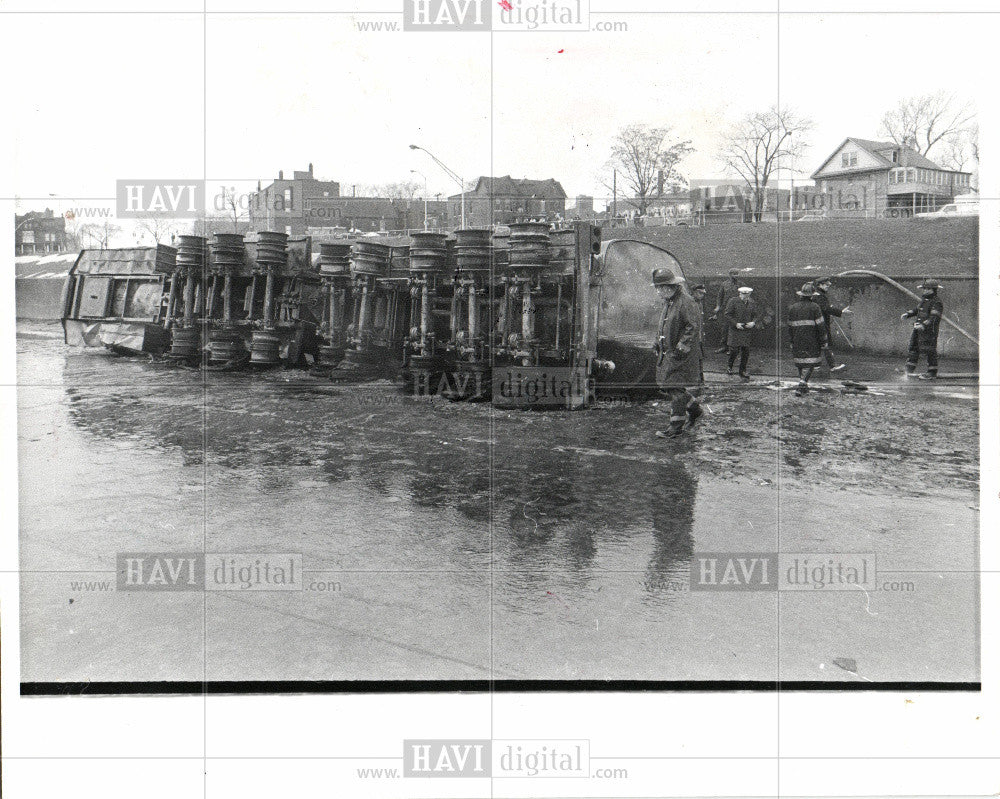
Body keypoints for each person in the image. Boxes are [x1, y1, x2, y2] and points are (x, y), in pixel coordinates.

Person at [651, 268, 703, 439]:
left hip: (681, 354)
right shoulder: (670, 301)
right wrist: (658, 341)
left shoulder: (686, 302)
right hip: (670, 352)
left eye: (659, 288)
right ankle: (695, 410)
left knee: (675, 389)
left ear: (668, 287)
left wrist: (681, 348)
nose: (657, 292)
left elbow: (692, 327)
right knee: (672, 387)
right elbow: (665, 324)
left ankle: (676, 427)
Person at [787, 283, 828, 396]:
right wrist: (824, 340)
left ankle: (804, 386)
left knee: (801, 362)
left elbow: (789, 326)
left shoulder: (793, 307)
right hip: (812, 339)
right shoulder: (815, 307)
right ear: (811, 296)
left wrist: (791, 340)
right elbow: (821, 325)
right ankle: (801, 385)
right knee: (811, 362)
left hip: (797, 339)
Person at [902, 279, 944, 379]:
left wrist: (924, 325)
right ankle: (908, 370)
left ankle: (932, 372)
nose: (925, 291)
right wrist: (908, 314)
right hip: (918, 328)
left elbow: (934, 318)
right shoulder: (924, 300)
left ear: (933, 290)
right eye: (924, 288)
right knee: (914, 347)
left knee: (929, 350)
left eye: (928, 289)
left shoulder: (936, 302)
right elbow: (917, 309)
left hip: (929, 331)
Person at [813, 277, 851, 371]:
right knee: (826, 344)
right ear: (820, 285)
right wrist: (841, 312)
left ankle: (815, 364)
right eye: (826, 285)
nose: (827, 287)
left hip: (817, 323)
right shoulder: (820, 296)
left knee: (818, 343)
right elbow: (825, 309)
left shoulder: (817, 295)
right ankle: (833, 366)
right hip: (821, 323)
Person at [724, 286, 757, 381]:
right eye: (743, 294)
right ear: (739, 294)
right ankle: (729, 366)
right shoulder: (733, 301)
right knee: (734, 350)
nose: (744, 296)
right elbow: (727, 314)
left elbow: (755, 315)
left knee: (746, 351)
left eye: (747, 295)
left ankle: (742, 370)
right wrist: (735, 324)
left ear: (749, 294)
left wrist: (753, 322)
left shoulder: (752, 302)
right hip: (736, 330)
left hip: (746, 330)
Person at [710, 269, 741, 353]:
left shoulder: (741, 284)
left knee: (734, 329)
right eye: (734, 274)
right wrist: (718, 307)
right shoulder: (724, 284)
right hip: (725, 310)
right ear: (730, 274)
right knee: (724, 328)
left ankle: (733, 348)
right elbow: (720, 297)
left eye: (737, 274)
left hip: (736, 310)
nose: (736, 276)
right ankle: (724, 346)